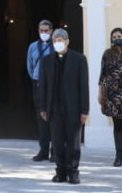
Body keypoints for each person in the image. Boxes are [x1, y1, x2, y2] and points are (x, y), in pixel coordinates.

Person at [38, 28, 89, 184]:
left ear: (67, 41)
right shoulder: (47, 60)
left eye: (60, 40)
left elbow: (83, 86)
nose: (57, 43)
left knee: (73, 142)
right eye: (55, 40)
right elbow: (43, 86)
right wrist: (43, 108)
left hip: (73, 108)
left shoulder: (79, 59)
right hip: (54, 108)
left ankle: (73, 171)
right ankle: (60, 171)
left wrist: (84, 110)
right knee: (58, 142)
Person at [99, 27, 122, 167]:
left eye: (119, 36)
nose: (116, 38)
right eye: (114, 37)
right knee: (117, 126)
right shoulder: (107, 54)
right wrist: (100, 93)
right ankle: (118, 156)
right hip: (112, 95)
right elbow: (102, 75)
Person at [26, 19, 55, 161]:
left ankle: (55, 150)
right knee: (41, 117)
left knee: (54, 117)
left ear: (51, 31)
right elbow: (29, 65)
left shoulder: (56, 45)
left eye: (46, 31)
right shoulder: (32, 47)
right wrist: (37, 78)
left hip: (53, 84)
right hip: (38, 83)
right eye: (41, 31)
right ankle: (43, 150)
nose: (44, 33)